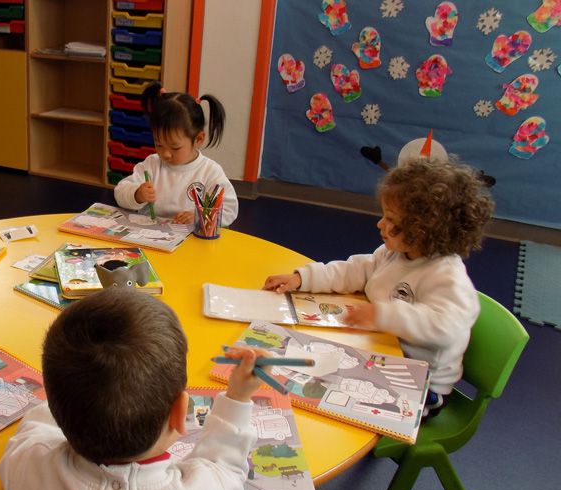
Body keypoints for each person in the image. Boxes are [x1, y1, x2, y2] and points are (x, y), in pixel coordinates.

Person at [263, 157, 494, 418]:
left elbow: (446, 327)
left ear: (424, 230)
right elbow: (356, 270)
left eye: (390, 219)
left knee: (321, 394)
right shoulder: (394, 253)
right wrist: (302, 279)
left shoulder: (447, 277)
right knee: (304, 364)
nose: (380, 224)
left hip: (420, 387)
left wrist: (382, 315)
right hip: (381, 355)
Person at [0, 287, 267, 490]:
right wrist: (237, 398)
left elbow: (38, 423)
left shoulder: (25, 462)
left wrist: (71, 387)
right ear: (179, 413)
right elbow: (226, 468)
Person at [114, 82, 239, 226]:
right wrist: (137, 195)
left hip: (190, 239)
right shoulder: (151, 164)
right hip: (149, 236)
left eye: (175, 147)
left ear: (198, 139)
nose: (166, 154)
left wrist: (199, 216)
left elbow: (229, 209)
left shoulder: (210, 172)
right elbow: (120, 192)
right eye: (159, 144)